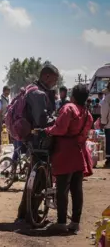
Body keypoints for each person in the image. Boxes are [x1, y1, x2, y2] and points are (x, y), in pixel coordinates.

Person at [44, 84, 93, 233]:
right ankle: (75, 223)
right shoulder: (87, 113)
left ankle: (61, 222)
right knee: (77, 189)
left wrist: (47, 130)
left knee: (62, 189)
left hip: (64, 152)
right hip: (79, 152)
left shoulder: (69, 108)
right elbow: (84, 135)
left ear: (72, 96)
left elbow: (60, 128)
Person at [16, 63, 59, 223]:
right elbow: (42, 120)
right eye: (55, 79)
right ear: (46, 76)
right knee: (39, 178)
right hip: (39, 140)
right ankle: (30, 214)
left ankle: (25, 212)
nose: (55, 83)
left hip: (33, 139)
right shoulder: (39, 94)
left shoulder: (33, 89)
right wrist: (58, 120)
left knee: (33, 178)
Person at [100, 82, 110, 168]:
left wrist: (103, 122)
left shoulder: (106, 99)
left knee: (109, 142)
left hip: (109, 124)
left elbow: (104, 111)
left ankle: (109, 160)